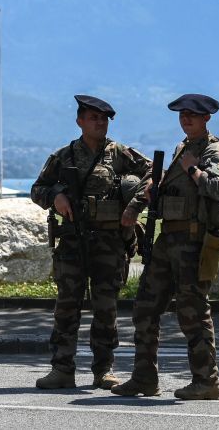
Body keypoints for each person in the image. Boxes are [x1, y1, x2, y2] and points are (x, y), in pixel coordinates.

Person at [111, 93, 219, 400]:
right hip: (169, 240)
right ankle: (144, 378)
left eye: (192, 115)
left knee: (193, 312)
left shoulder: (214, 150)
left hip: (193, 242)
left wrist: (194, 169)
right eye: (182, 115)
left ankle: (206, 381)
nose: (186, 119)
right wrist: (146, 199)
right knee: (145, 307)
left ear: (206, 118)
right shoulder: (183, 148)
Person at [31, 95, 150, 390]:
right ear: (80, 121)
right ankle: (62, 369)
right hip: (72, 241)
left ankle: (104, 369)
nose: (100, 123)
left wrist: (134, 205)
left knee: (106, 307)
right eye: (93, 118)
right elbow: (37, 188)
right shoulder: (64, 157)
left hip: (110, 242)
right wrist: (54, 197)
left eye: (104, 119)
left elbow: (153, 175)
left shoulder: (120, 154)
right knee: (67, 306)